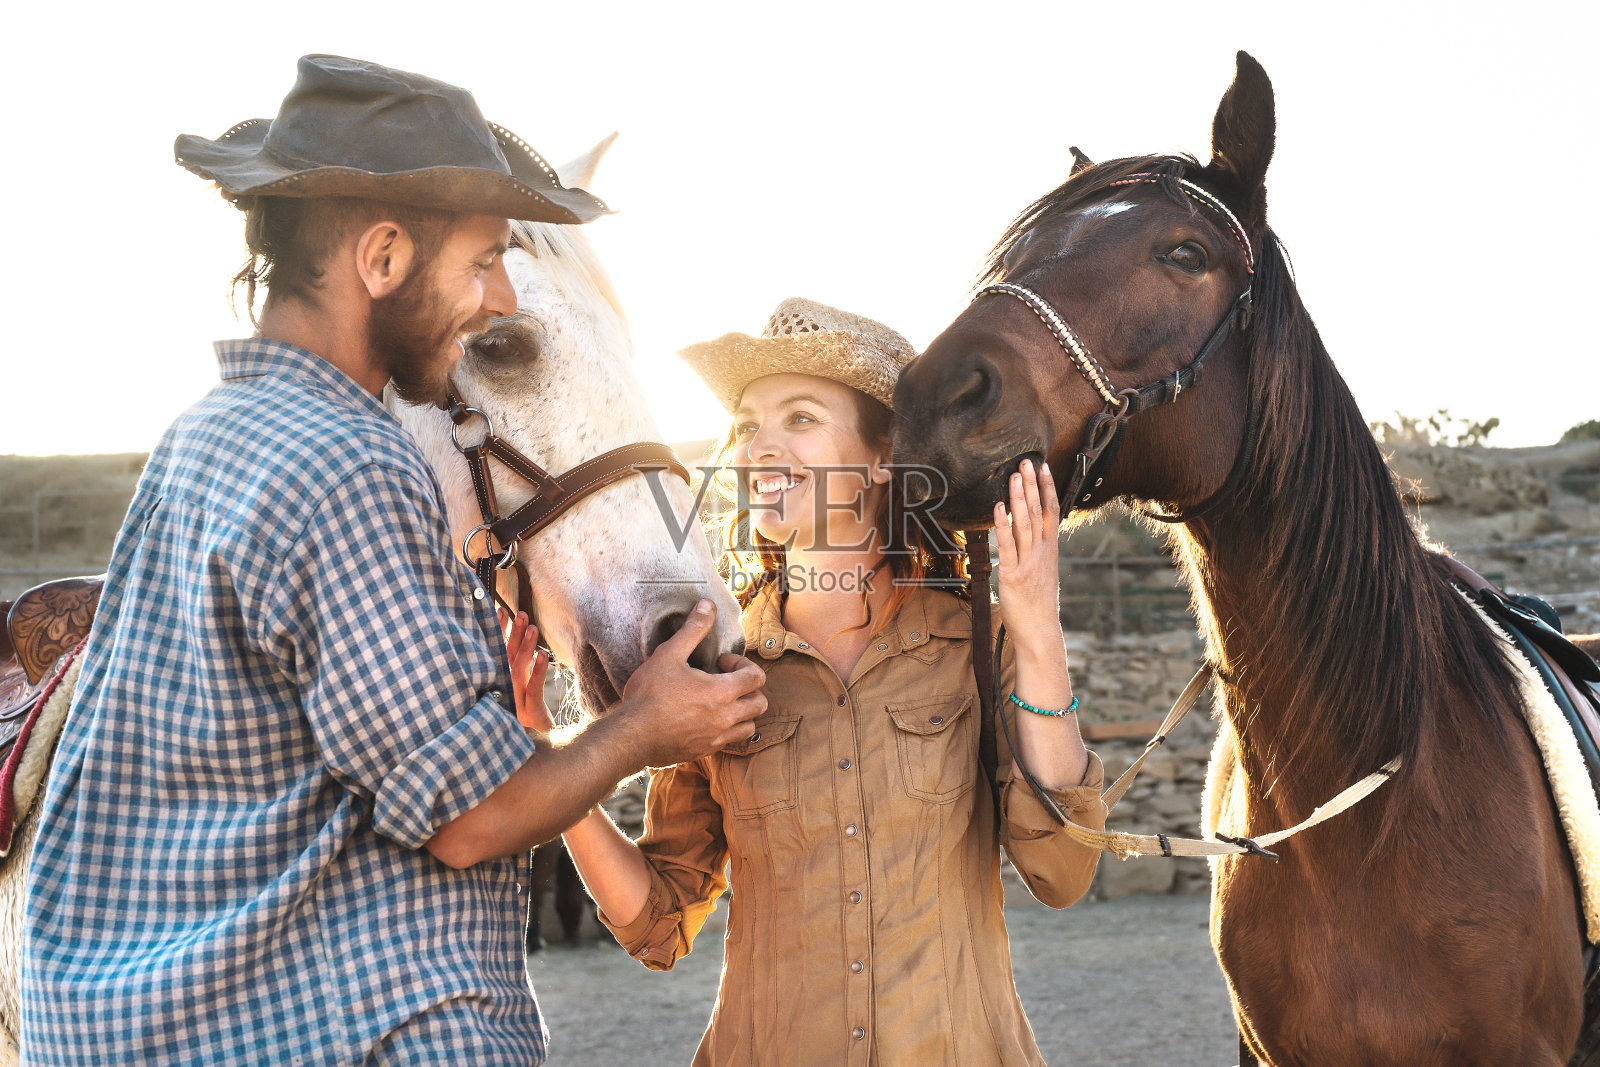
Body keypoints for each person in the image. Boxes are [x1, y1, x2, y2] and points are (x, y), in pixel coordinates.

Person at [19, 56, 765, 1066]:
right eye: (480, 271)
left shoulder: (207, 436)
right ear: (379, 258)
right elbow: (466, 818)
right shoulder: (350, 464)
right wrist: (642, 725)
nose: (492, 292)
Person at [507, 299, 1109, 1065]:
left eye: (799, 418)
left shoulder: (973, 644)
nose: (761, 445)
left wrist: (1034, 625)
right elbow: (657, 923)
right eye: (750, 424)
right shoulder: (712, 664)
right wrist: (552, 764)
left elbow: (1061, 867)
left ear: (882, 454)